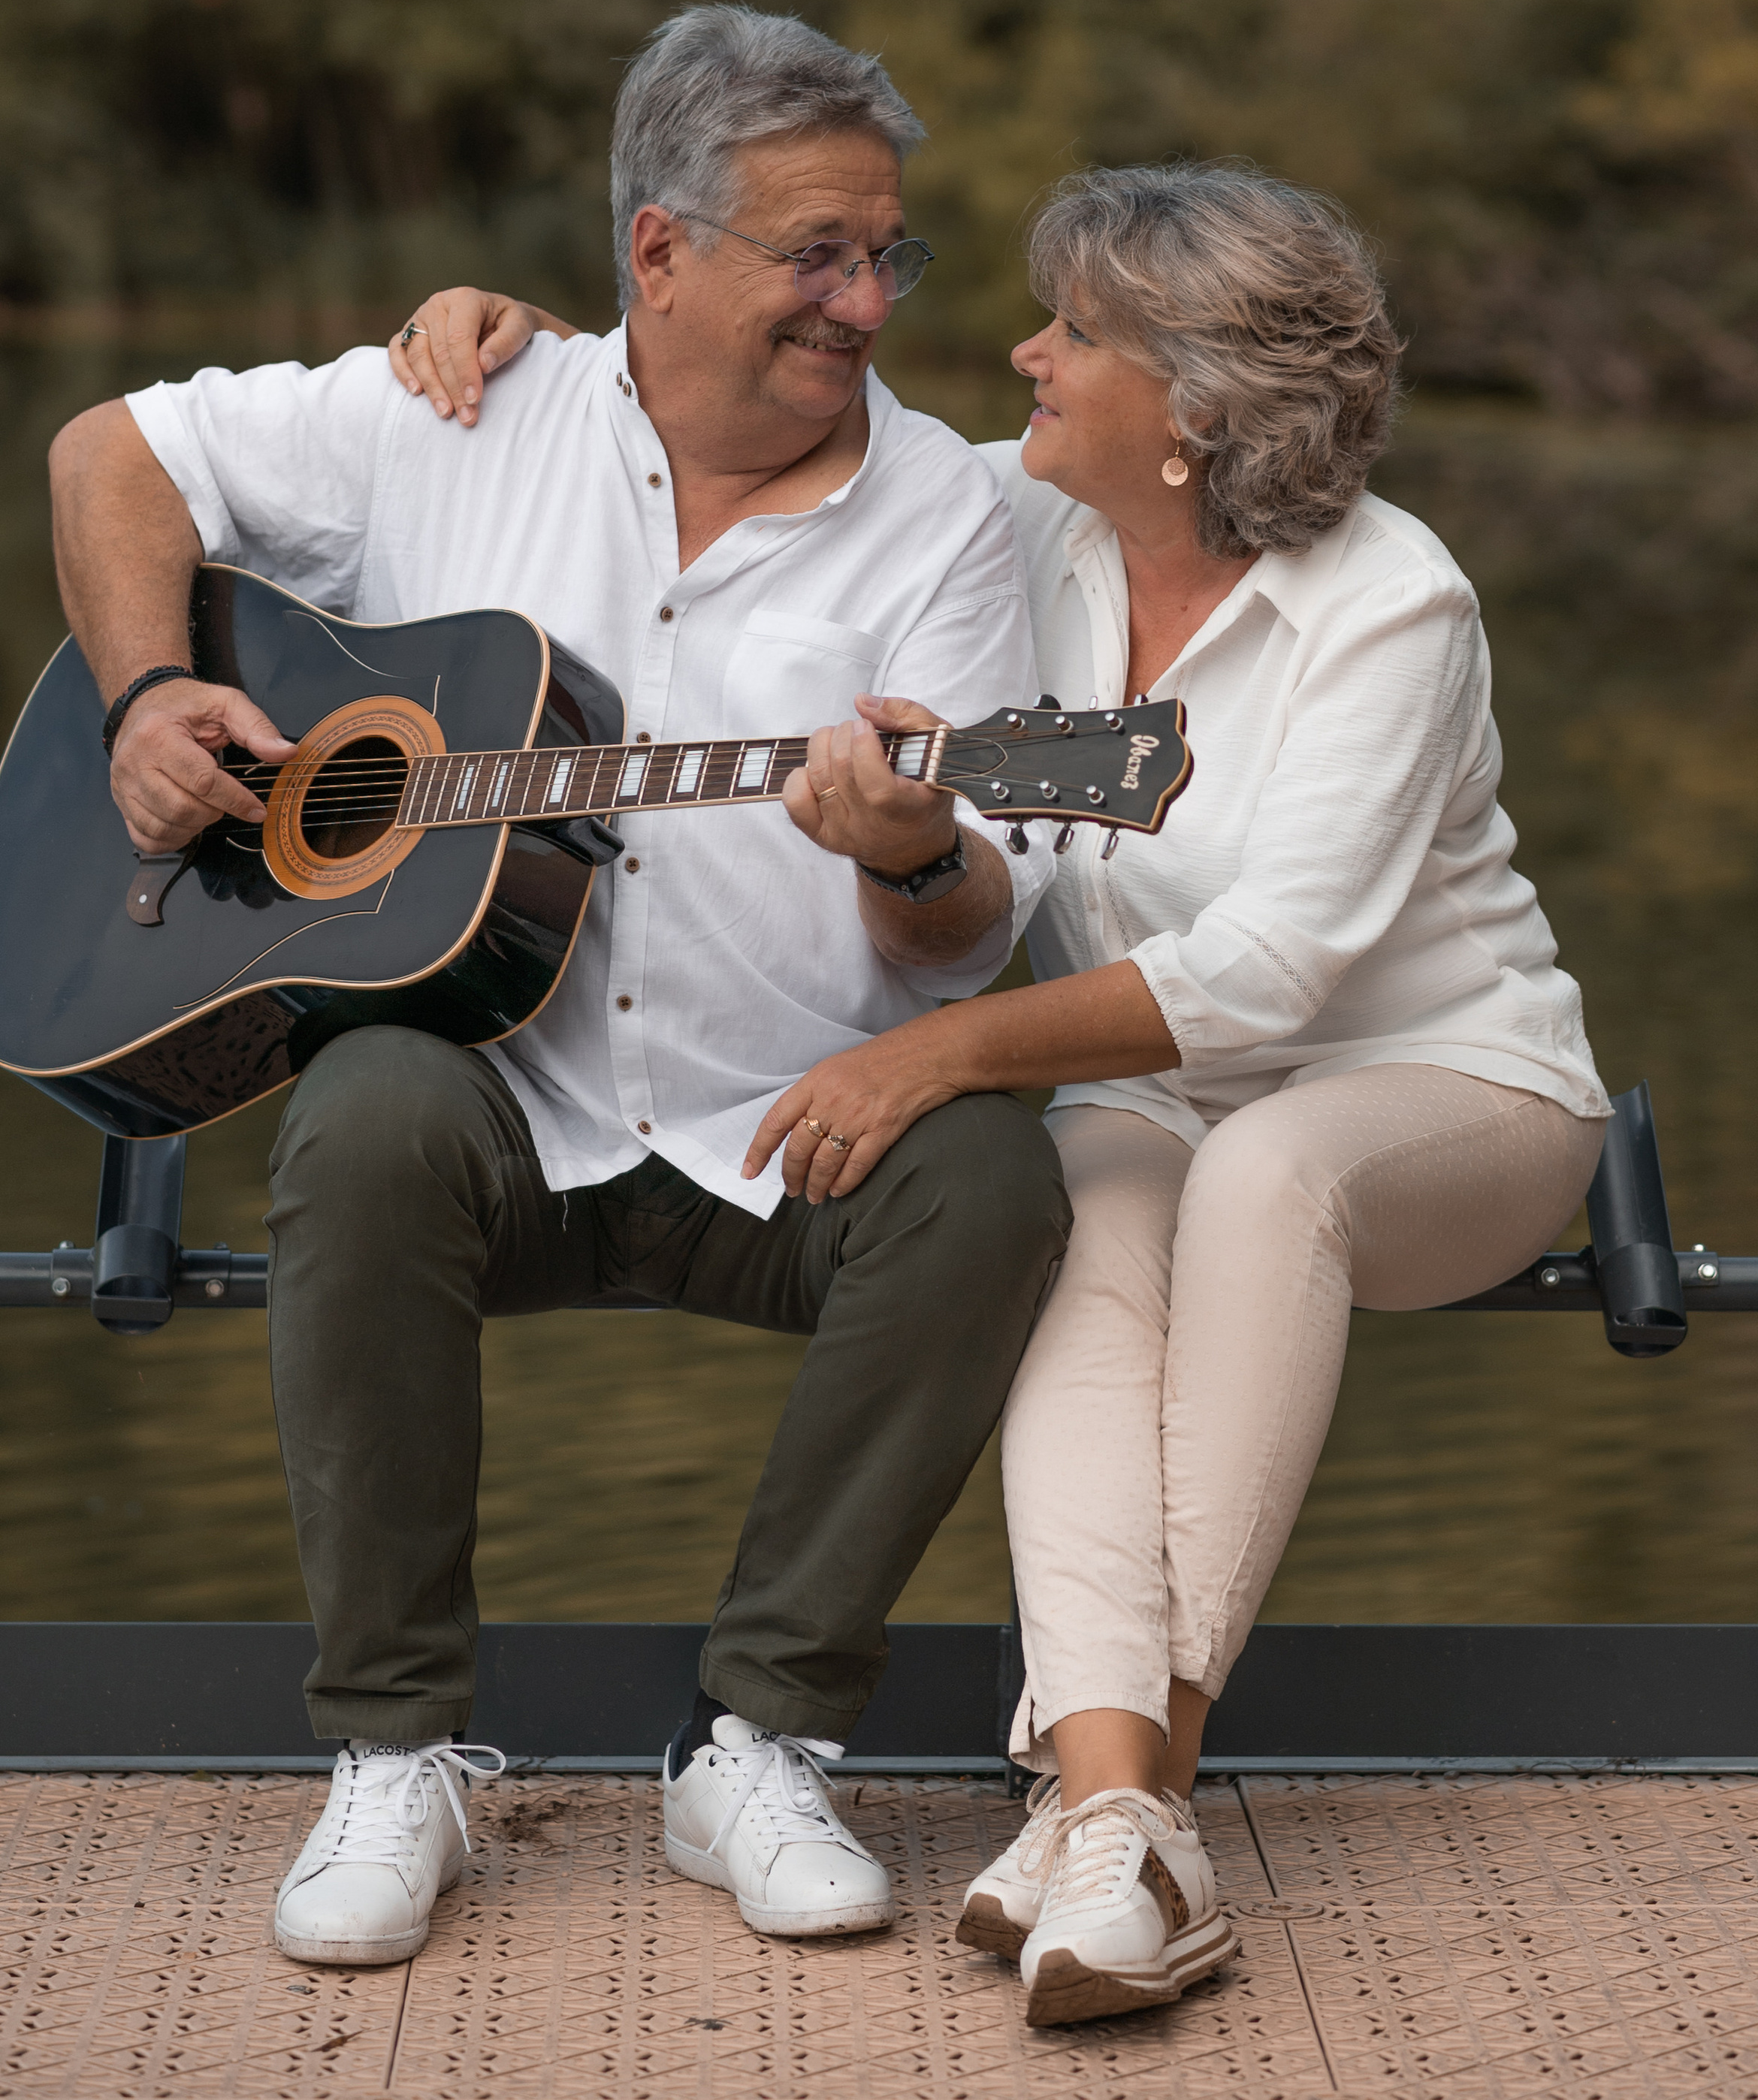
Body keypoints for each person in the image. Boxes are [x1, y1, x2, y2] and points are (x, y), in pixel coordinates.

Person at [400, 156, 1609, 2031]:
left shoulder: (1394, 605)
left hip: (1440, 1090)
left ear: (1193, 406)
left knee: (1264, 1164)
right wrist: (565, 342)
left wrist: (940, 1042)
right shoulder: (1010, 518)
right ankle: (1107, 1808)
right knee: (1076, 1206)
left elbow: (1271, 980)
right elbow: (741, 405)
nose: (1023, 351)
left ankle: (1134, 1811)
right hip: (1147, 1083)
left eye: (1076, 332)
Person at [46, 5, 1071, 1972]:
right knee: (361, 1109)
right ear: (661, 251)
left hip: (795, 1131)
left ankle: (758, 1739)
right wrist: (149, 690)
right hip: (507, 1122)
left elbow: (969, 931)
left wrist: (920, 849)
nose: (866, 300)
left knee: (1001, 1182)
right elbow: (113, 453)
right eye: (817, 254)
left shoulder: (945, 507)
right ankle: (397, 1753)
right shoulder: (455, 414)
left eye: (890, 253)